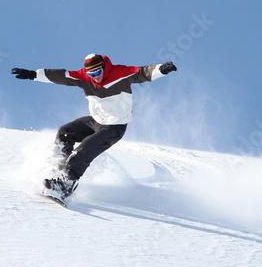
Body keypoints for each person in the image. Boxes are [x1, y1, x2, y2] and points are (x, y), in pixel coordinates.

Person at [11, 53, 177, 200]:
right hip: (96, 120)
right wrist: (33, 74)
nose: (95, 77)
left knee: (83, 150)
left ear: (104, 67)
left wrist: (161, 69)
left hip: (114, 126)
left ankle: (66, 185)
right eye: (91, 74)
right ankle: (59, 170)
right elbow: (61, 76)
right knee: (65, 132)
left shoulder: (120, 73)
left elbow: (142, 72)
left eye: (97, 72)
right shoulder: (84, 78)